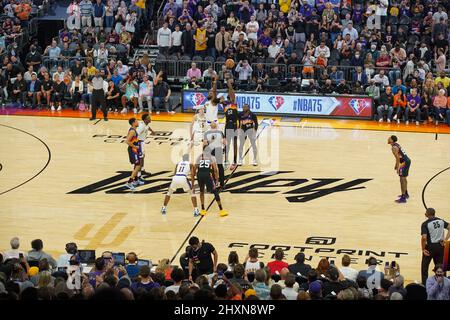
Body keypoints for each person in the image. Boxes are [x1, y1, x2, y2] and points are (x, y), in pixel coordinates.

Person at [193, 148, 228, 217]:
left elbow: (195, 167)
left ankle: (203, 209)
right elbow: (215, 169)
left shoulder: (199, 157)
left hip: (199, 174)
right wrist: (217, 179)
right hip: (207, 174)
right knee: (215, 191)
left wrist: (194, 176)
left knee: (201, 191)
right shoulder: (211, 157)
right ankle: (221, 210)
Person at [421, 208, 450, 285]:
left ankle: (425, 285)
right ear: (434, 213)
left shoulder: (425, 224)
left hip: (430, 248)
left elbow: (424, 238)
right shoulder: (441, 221)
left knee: (424, 267)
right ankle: (443, 284)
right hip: (441, 247)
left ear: (426, 214)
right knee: (441, 267)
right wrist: (445, 239)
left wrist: (423, 249)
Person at [387, 135, 411, 203]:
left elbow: (397, 158)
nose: (388, 138)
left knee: (402, 179)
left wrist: (397, 167)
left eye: (389, 138)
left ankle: (403, 198)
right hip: (407, 160)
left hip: (403, 162)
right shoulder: (396, 144)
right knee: (404, 178)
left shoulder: (394, 147)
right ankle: (406, 194)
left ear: (391, 140)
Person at [203, 121, 226, 189]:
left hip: (210, 150)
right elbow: (225, 142)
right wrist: (224, 148)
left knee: (212, 167)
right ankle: (222, 183)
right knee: (220, 166)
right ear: (216, 126)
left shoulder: (207, 132)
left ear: (210, 126)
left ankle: (213, 183)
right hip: (218, 149)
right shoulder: (220, 132)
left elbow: (205, 143)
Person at [223, 79, 239, 168]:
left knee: (235, 143)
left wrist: (229, 84)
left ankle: (235, 161)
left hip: (234, 125)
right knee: (227, 143)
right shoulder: (224, 104)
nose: (231, 95)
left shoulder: (234, 103)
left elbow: (232, 93)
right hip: (227, 124)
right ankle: (226, 160)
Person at [124, 118, 142, 191]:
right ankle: (129, 182)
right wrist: (135, 146)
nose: (138, 122)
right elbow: (127, 141)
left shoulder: (133, 130)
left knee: (137, 164)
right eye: (136, 121)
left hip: (134, 149)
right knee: (138, 165)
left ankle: (136, 180)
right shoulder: (132, 131)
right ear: (133, 123)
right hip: (132, 150)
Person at [136, 113, 155, 178]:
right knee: (140, 158)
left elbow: (148, 127)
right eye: (148, 118)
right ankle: (139, 174)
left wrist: (152, 131)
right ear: (145, 120)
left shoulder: (145, 124)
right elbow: (136, 134)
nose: (150, 119)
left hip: (142, 142)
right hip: (139, 143)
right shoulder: (141, 126)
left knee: (143, 156)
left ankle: (142, 169)